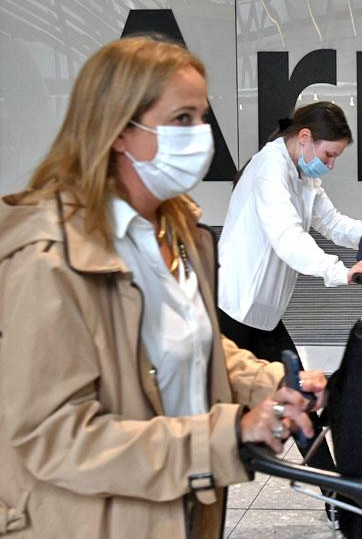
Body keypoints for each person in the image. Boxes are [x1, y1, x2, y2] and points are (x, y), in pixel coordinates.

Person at [0, 36, 327, 538]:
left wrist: (270, 383)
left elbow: (188, 341)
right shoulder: (48, 260)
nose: (201, 136)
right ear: (117, 130)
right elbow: (54, 436)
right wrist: (224, 437)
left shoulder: (177, 231)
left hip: (180, 512)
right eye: (181, 120)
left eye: (201, 118)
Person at [216, 101, 362, 365]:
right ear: (305, 138)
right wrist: (340, 271)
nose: (331, 165)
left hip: (260, 314)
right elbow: (287, 238)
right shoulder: (270, 166)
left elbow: (333, 223)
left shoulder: (303, 175)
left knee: (295, 396)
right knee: (291, 394)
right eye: (329, 155)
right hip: (233, 308)